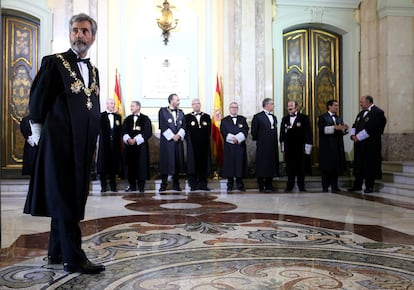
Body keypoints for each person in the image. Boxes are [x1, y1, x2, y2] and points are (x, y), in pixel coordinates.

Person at [23, 14, 105, 274]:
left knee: (70, 197)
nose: (79, 35)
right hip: (59, 145)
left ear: (92, 37)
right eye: (75, 30)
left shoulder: (94, 70)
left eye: (84, 31)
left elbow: (92, 107)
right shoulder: (54, 63)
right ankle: (74, 258)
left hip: (83, 147)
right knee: (66, 199)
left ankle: (57, 252)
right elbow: (38, 100)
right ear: (70, 34)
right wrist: (36, 130)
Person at [348, 95, 387, 193]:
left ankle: (369, 186)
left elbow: (373, 128)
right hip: (359, 144)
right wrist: (352, 135)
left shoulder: (378, 112)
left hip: (370, 145)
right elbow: (355, 125)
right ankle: (357, 185)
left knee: (369, 165)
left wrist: (358, 137)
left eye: (362, 102)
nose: (360, 104)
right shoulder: (361, 113)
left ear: (369, 102)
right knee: (359, 165)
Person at [280, 100, 312, 192]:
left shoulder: (304, 118)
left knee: (300, 167)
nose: (289, 108)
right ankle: (290, 185)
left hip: (300, 147)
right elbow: (282, 133)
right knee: (289, 167)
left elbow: (308, 133)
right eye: (288, 106)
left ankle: (301, 185)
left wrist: (308, 147)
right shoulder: (285, 119)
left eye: (292, 106)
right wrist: (283, 146)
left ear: (297, 107)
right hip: (289, 147)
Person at [318, 100, 349, 193]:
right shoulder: (323, 117)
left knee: (335, 167)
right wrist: (334, 128)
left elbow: (342, 131)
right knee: (326, 167)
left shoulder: (339, 118)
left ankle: (334, 186)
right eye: (335, 105)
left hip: (337, 146)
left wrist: (344, 129)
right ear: (329, 106)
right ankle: (325, 186)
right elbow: (322, 130)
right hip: (327, 146)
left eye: (337, 105)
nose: (337, 107)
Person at [122, 101, 152, 193]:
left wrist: (136, 140)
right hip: (129, 147)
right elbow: (124, 131)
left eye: (133, 106)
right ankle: (132, 186)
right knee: (130, 166)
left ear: (138, 107)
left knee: (141, 166)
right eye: (130, 106)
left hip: (141, 147)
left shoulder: (145, 118)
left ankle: (141, 186)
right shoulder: (127, 119)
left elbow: (147, 132)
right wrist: (128, 139)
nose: (131, 107)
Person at [158, 94, 186, 192]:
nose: (179, 102)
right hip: (167, 142)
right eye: (177, 100)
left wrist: (179, 135)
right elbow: (163, 125)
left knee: (177, 162)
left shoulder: (181, 112)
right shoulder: (163, 111)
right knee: (166, 162)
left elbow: (184, 126)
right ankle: (163, 184)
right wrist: (172, 136)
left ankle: (176, 184)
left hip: (178, 141)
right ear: (171, 101)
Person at [251, 98, 279, 192]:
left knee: (271, 164)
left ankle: (269, 184)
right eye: (272, 104)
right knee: (262, 165)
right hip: (263, 145)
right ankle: (261, 185)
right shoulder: (258, 117)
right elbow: (254, 132)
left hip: (272, 145)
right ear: (266, 105)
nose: (273, 106)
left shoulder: (274, 117)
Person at [220, 102, 249, 191]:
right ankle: (230, 184)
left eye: (236, 107)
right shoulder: (224, 120)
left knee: (240, 164)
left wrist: (238, 138)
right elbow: (223, 132)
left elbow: (245, 130)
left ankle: (240, 184)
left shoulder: (242, 119)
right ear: (229, 109)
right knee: (230, 165)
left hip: (240, 146)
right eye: (232, 107)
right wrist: (233, 139)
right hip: (229, 147)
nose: (234, 109)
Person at [185, 98, 212, 191]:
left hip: (204, 145)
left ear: (200, 105)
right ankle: (193, 184)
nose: (196, 105)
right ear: (192, 106)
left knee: (204, 164)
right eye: (194, 104)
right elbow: (186, 131)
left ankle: (203, 184)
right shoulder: (187, 117)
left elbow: (209, 131)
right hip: (192, 145)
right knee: (193, 164)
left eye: (198, 103)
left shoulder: (207, 117)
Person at [96, 98, 122, 192]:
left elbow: (119, 129)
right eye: (111, 103)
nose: (112, 105)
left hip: (114, 144)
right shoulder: (101, 115)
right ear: (107, 105)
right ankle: (103, 186)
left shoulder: (118, 117)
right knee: (103, 165)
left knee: (113, 165)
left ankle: (113, 186)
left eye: (113, 103)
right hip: (104, 144)